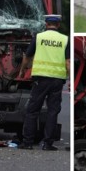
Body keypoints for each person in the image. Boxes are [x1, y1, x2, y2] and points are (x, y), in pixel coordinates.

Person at [17, 14, 70, 150]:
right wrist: (70, 78)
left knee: (33, 110)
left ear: (46, 24)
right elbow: (68, 62)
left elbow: (27, 56)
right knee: (53, 111)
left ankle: (28, 142)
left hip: (40, 79)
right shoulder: (65, 39)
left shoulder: (39, 37)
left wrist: (22, 71)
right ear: (58, 25)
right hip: (57, 80)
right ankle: (47, 144)